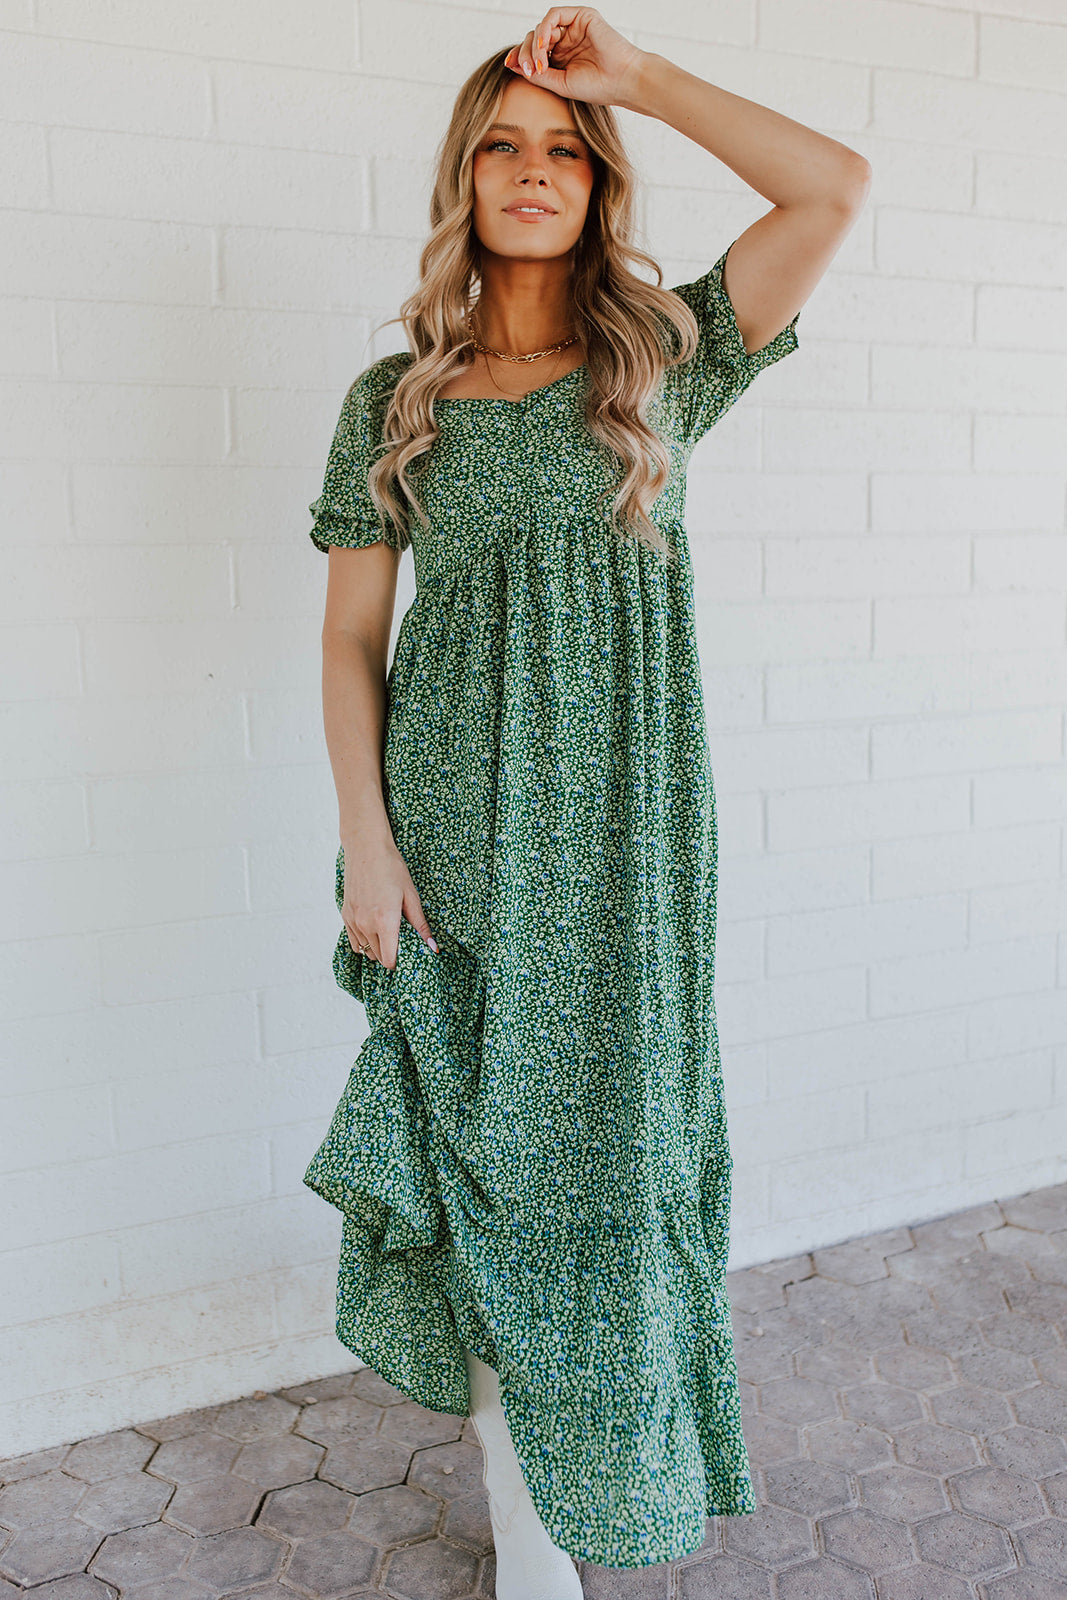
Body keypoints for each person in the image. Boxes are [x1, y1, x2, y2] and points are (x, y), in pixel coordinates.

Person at [303, 7, 870, 1595]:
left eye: (564, 149)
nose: (533, 169)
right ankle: (527, 1538)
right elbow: (349, 639)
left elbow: (832, 188)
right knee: (484, 1175)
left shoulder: (662, 358)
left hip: (626, 847)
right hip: (450, 841)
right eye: (503, 144)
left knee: (617, 1171)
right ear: (464, 177)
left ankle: (610, 1477)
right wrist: (365, 839)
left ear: (602, 179)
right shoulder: (393, 397)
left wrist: (640, 79)